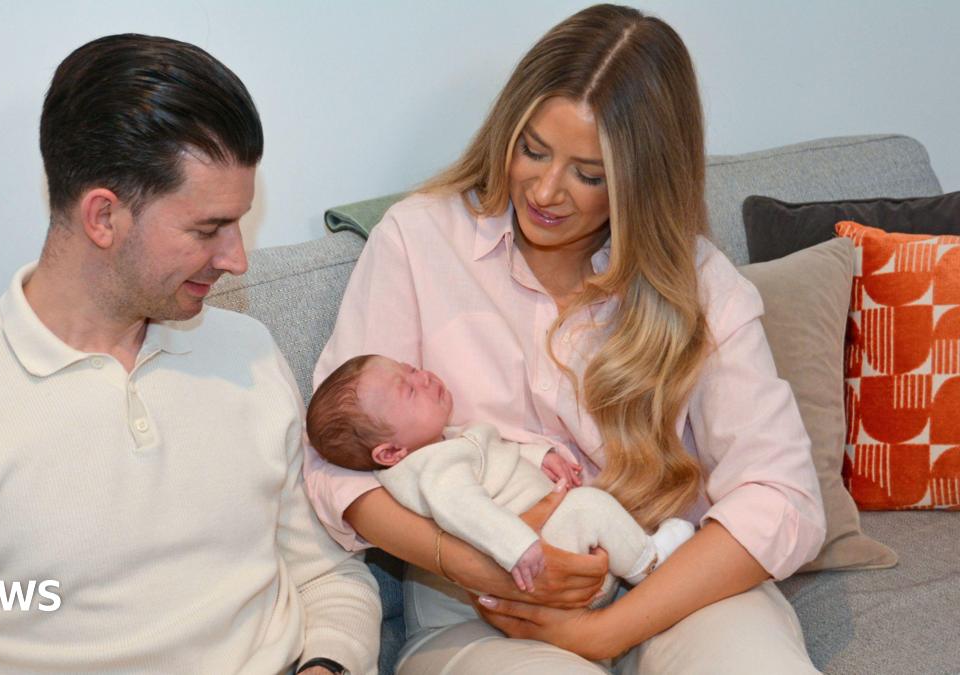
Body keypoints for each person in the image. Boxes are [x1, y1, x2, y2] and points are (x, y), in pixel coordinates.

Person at [303, 4, 826, 674]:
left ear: (644, 180)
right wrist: (482, 559)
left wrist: (609, 632)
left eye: (590, 172)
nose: (546, 190)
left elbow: (781, 494)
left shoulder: (698, 282)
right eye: (533, 149)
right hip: (482, 618)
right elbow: (334, 467)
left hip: (672, 588)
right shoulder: (418, 240)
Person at [0, 34, 379, 675]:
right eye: (207, 229)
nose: (237, 259)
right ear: (103, 216)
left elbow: (330, 580)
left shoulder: (247, 350)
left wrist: (330, 665)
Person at [306, 354, 694, 598]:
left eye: (412, 369)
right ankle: (649, 563)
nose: (423, 377)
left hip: (558, 553)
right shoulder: (434, 469)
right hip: (543, 565)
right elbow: (462, 509)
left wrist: (537, 455)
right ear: (390, 453)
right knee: (589, 505)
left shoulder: (443, 442)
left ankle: (632, 553)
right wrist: (517, 547)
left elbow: (493, 454)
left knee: (588, 507)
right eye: (408, 390)